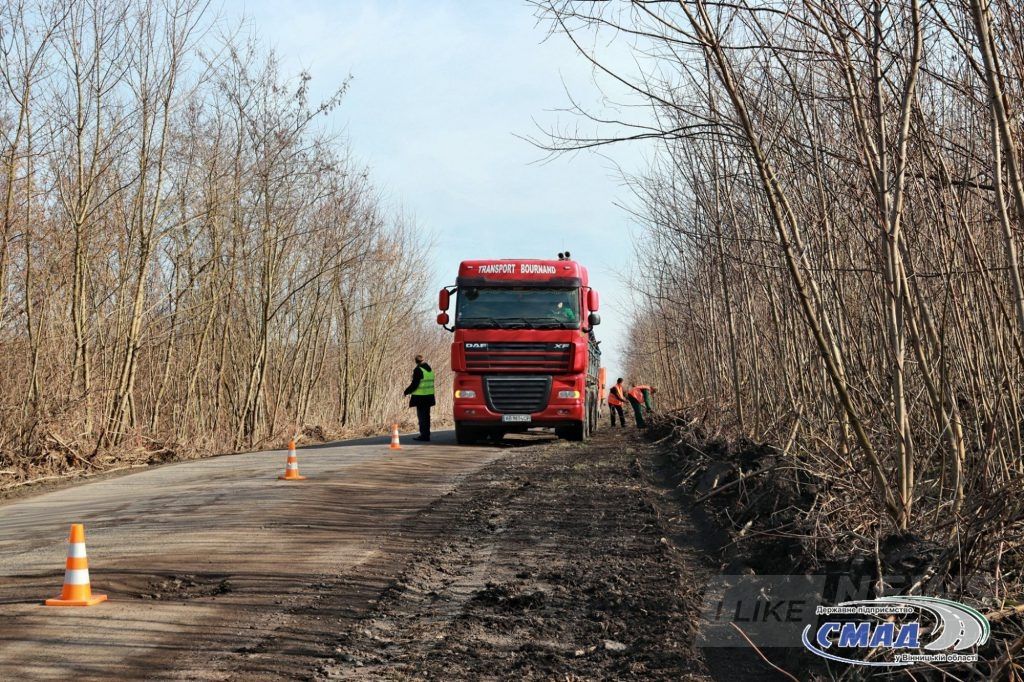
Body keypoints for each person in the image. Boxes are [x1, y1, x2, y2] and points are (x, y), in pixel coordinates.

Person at [403, 354, 435, 441]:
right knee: (426, 417)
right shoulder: (430, 370)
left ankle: (424, 436)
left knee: (422, 417)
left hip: (421, 398)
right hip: (429, 397)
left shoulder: (418, 370)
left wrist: (406, 391)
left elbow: (415, 384)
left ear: (416, 361)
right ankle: (426, 434)